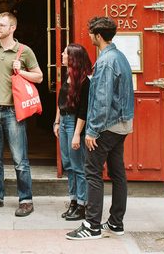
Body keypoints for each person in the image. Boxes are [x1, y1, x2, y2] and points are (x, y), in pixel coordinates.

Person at [66, 16, 134, 241]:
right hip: (122, 126)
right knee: (118, 174)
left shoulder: (105, 61)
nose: (89, 37)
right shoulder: (120, 56)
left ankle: (92, 225)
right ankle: (116, 222)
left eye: (91, 33)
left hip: (106, 127)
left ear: (97, 35)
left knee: (92, 173)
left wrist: (92, 131)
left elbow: (103, 101)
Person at [0, 12, 42, 217]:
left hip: (13, 111)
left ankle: (26, 200)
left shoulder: (24, 51)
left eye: (2, 25)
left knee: (20, 159)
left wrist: (21, 72)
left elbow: (39, 77)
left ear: (13, 28)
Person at [54, 43, 91, 222]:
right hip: (63, 123)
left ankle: (82, 204)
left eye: (65, 53)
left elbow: (83, 111)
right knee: (68, 164)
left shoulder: (84, 82)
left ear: (73, 58)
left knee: (78, 166)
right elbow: (61, 102)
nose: (62, 55)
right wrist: (56, 121)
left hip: (74, 124)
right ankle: (73, 201)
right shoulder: (68, 76)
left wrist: (77, 134)